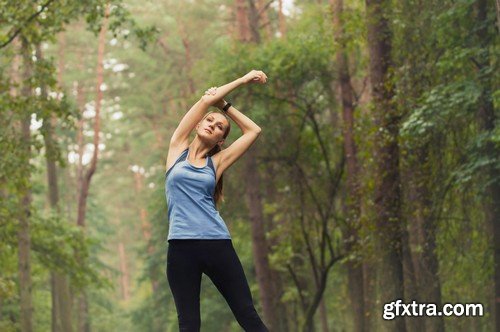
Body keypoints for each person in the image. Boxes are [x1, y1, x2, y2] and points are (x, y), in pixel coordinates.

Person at [164, 70, 270, 332]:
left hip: (217, 244)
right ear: (199, 125)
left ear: (220, 140)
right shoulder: (177, 148)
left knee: (247, 314)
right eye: (209, 120)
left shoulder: (217, 163)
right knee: (188, 325)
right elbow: (204, 102)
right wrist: (236, 83)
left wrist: (224, 105)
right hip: (180, 247)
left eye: (219, 126)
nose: (213, 123)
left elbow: (253, 130)